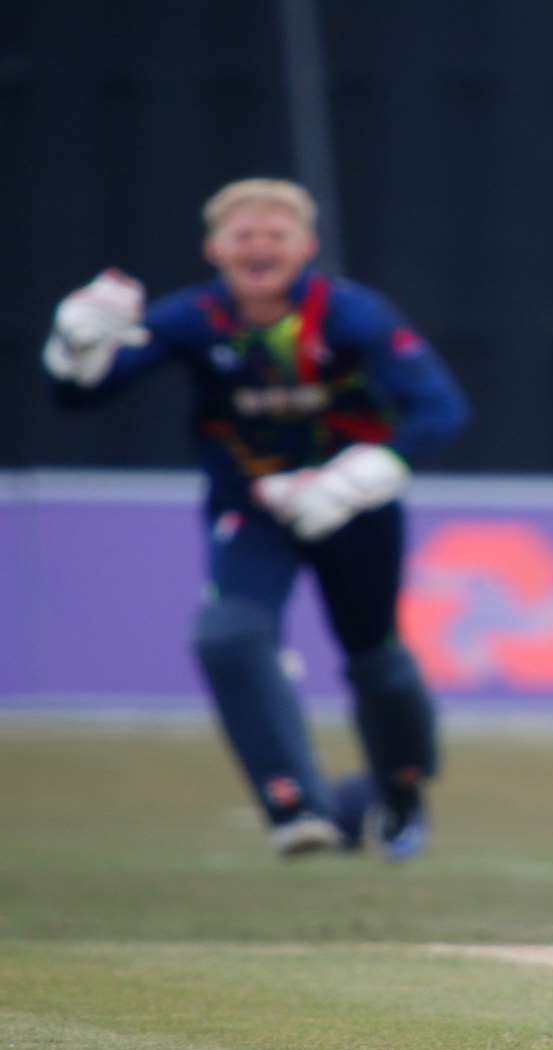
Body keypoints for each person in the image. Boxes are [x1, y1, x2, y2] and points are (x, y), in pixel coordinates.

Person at [41, 178, 469, 860]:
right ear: (215, 247)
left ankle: (399, 792)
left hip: (350, 508)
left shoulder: (351, 314)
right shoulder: (192, 318)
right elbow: (78, 397)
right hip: (254, 509)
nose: (260, 248)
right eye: (245, 236)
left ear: (307, 246)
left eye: (276, 236)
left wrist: (355, 479)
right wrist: (75, 343)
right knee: (229, 636)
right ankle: (295, 805)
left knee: (376, 657)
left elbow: (440, 410)